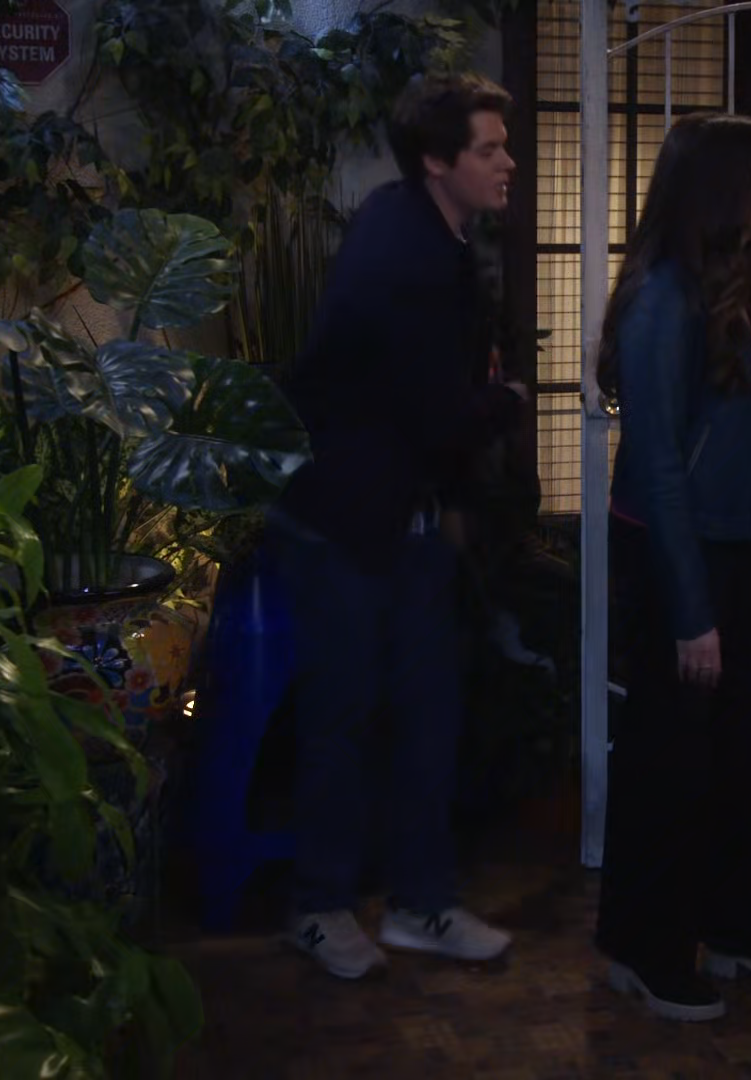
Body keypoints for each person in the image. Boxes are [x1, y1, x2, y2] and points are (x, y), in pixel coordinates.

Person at [267, 72, 527, 979]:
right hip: (342, 522)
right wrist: (510, 399)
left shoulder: (435, 234)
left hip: (405, 518)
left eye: (504, 144)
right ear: (436, 161)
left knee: (428, 717)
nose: (508, 162)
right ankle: (319, 908)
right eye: (489, 149)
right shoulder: (402, 249)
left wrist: (449, 504)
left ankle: (421, 904)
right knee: (341, 720)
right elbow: (434, 411)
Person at [592, 112, 751, 1022]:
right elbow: (657, 463)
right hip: (676, 552)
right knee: (671, 757)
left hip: (749, 548)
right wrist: (692, 611)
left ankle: (746, 933)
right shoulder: (662, 296)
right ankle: (645, 948)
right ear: (719, 187)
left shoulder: (744, 285)